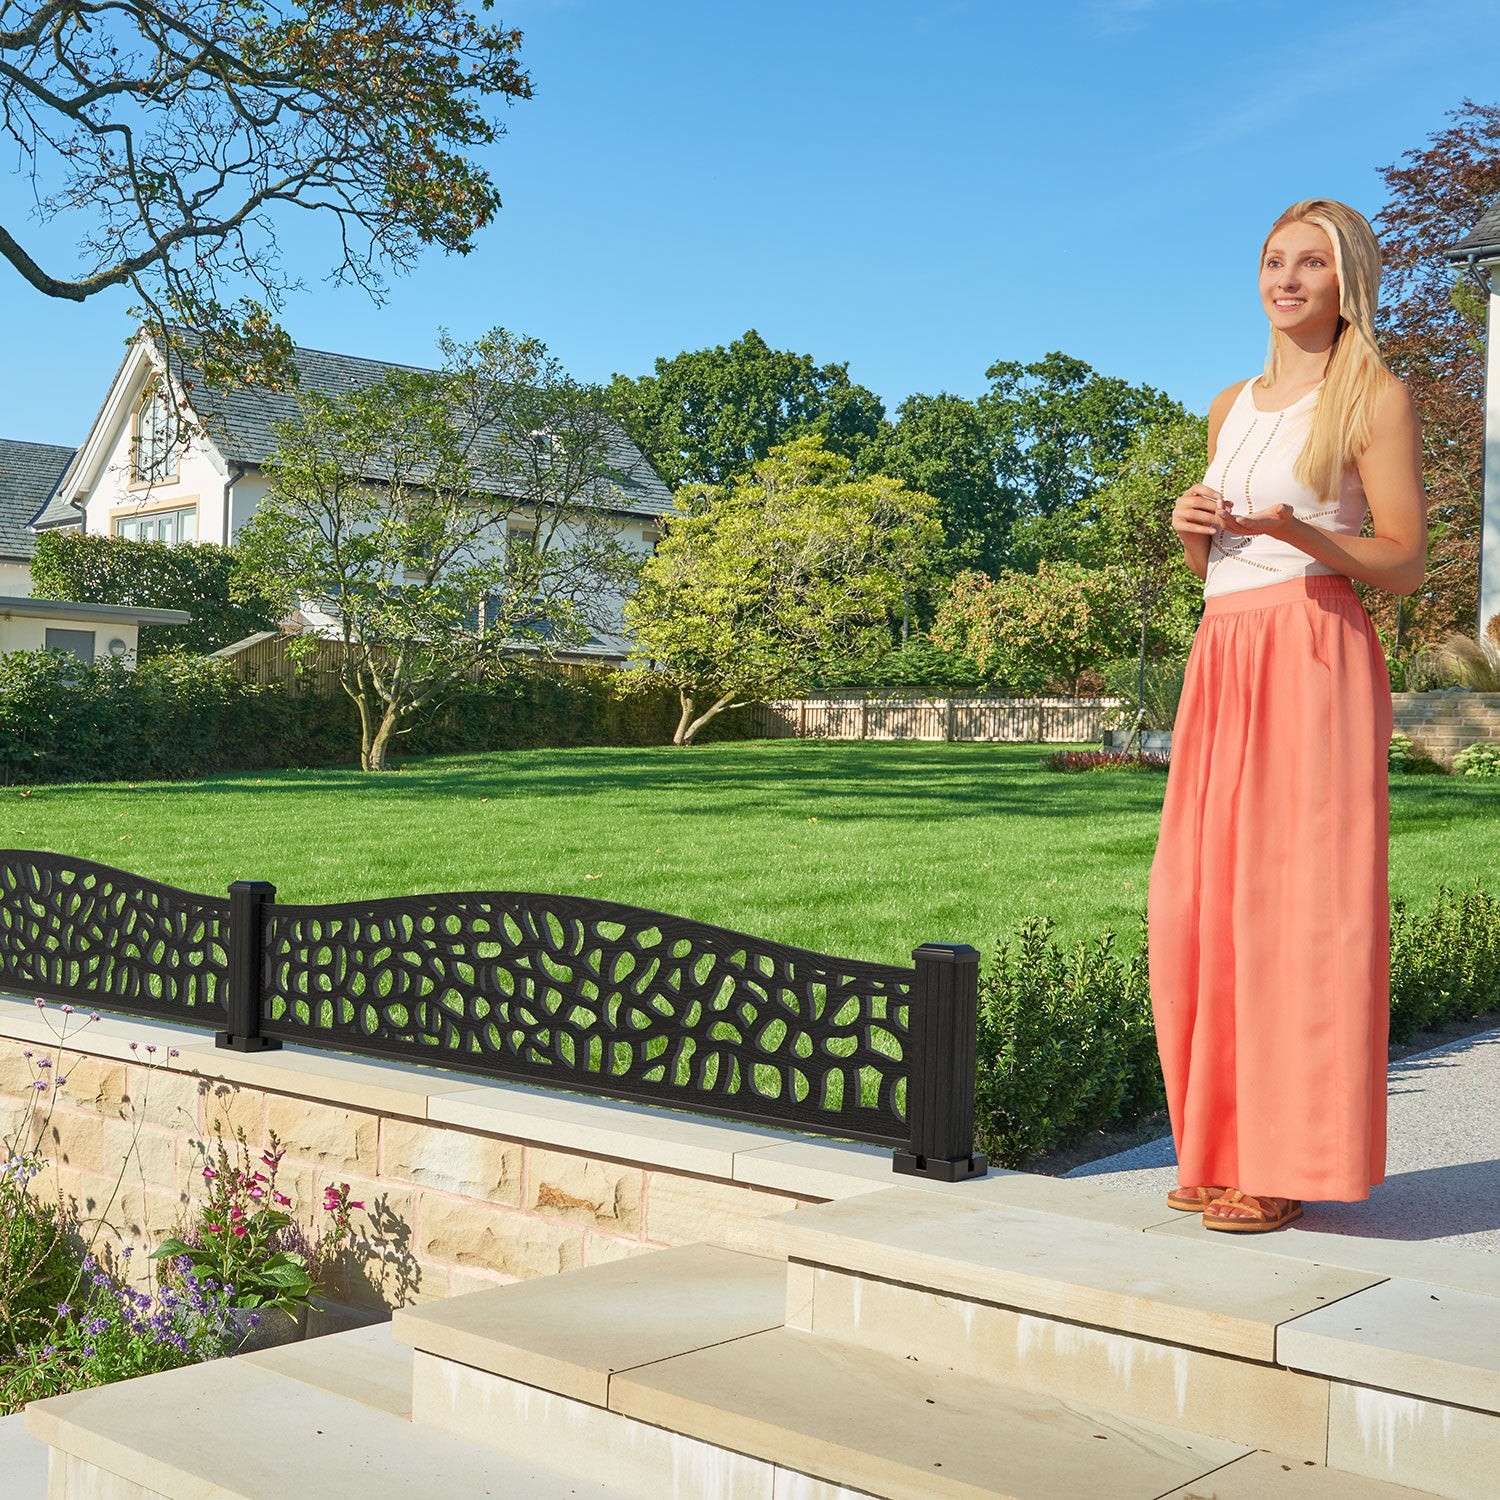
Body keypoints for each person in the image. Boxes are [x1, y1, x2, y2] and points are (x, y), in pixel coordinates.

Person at [1148, 198, 1427, 1233]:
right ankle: (1218, 1146)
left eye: (1312, 263)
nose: (1287, 280)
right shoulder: (1230, 404)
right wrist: (1192, 529)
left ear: (1348, 281)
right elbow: (1217, 570)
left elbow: (1405, 561)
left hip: (1312, 648)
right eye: (1274, 261)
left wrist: (1306, 534)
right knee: (1199, 902)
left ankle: (1286, 1160)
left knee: (1298, 906)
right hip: (1223, 652)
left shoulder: (1373, 398)